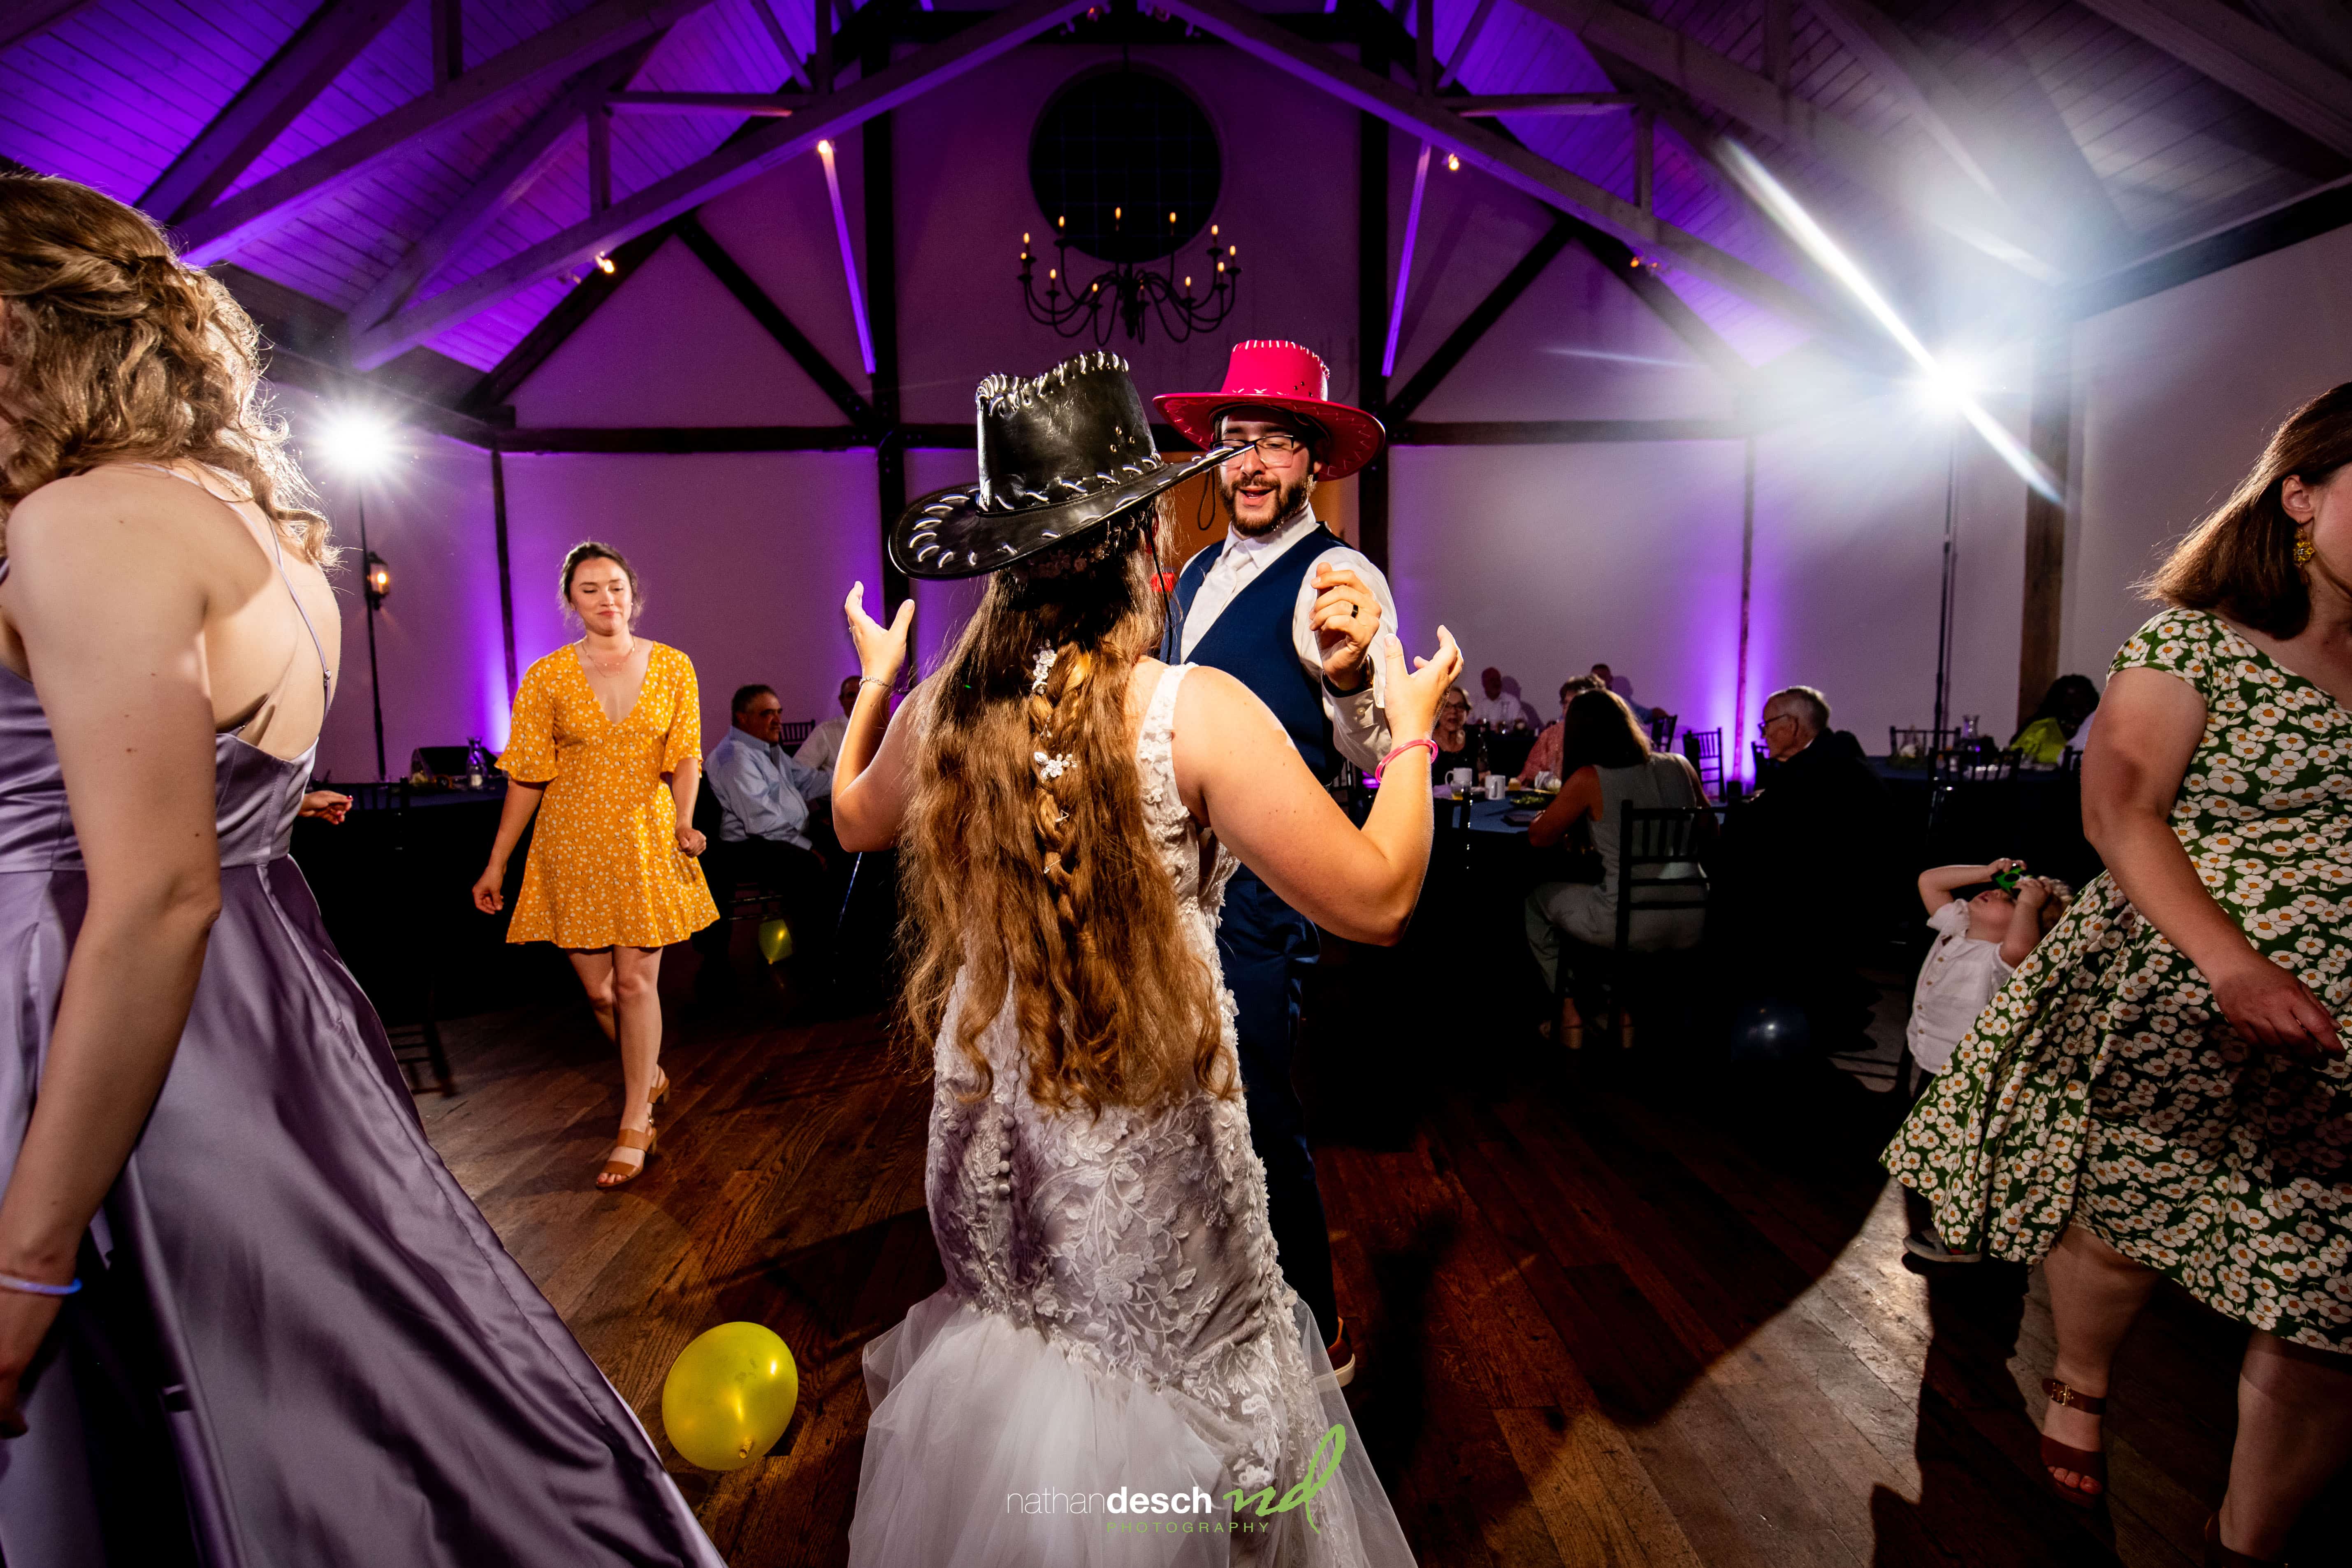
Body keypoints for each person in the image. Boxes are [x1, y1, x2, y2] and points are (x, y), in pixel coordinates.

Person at [0, 172, 721, 1565]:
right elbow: (491, 765)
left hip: (117, 1010)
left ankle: (641, 1102)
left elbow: (153, 889)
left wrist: (27, 1261)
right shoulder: (256, 528)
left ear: (31, 330)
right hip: (263, 1005)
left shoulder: (86, 522)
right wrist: (503, 859)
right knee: (343, 1426)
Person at [835, 350, 1442, 1567]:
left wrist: (878, 679)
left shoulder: (943, 705)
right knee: (1180, 1378)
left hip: (987, 1111)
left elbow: (851, 814)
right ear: (1139, 543)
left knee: (1023, 1359)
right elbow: (1376, 899)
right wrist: (1414, 733)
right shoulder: (1191, 710)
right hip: (1138, 1095)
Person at [1886, 385, 2352, 1562]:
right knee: (2125, 1219)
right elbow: (2118, 806)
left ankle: (2244, 1538)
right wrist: (2232, 966)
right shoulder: (2189, 639)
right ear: (2299, 496)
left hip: (2337, 1031)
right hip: (2184, 991)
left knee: (2329, 1294)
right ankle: (2081, 1382)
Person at [1153, 339, 1399, 1380]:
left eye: (1275, 443)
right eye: (1233, 442)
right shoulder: (1196, 571)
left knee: (1253, 1095)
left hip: (1261, 886)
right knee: (1175, 1095)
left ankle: (1317, 1327)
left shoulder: (1337, 574)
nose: (1249, 463)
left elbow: (1378, 745)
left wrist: (1347, 677)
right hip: (1171, 879)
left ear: (1311, 461)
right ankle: (1208, 1295)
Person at [470, 542, 718, 1189]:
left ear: (632, 593)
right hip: (570, 843)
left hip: (643, 838)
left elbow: (685, 754)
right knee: (600, 991)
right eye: (590, 589)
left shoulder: (672, 666)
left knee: (637, 985)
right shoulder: (547, 676)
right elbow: (526, 777)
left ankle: (636, 1119)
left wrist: (685, 820)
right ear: (570, 601)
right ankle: (650, 1074)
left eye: (615, 586)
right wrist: (497, 862)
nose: (607, 599)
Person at [1897, 860, 2069, 1264]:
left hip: (1968, 1080)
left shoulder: (2003, 960)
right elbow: (1929, 879)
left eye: (2010, 900)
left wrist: (2029, 902)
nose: (1996, 891)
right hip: (1936, 1065)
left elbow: (2024, 945)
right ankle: (1951, 1222)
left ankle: (1961, 1236)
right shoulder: (1957, 927)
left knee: (1960, 1163)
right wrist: (1987, 871)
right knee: (1935, 1153)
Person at [1522, 689, 1709, 1046]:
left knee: (1536, 902)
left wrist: (1547, 815)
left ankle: (1570, 1017)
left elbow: (1539, 838)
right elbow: (1710, 830)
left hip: (1631, 920)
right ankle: (1620, 1010)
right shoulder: (1681, 765)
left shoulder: (1590, 778)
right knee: (1608, 899)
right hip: (1695, 915)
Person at [1711, 684, 1894, 1049]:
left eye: (1766, 724)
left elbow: (1759, 831)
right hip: (1857, 891)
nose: (1762, 733)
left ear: (1793, 726)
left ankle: (1760, 1021)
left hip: (1834, 904)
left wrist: (1743, 814)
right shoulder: (1839, 757)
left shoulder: (1814, 771)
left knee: (1732, 898)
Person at [695, 681, 835, 1002]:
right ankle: (816, 967)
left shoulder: (767, 750)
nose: (778, 720)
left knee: (844, 847)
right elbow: (761, 822)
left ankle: (837, 946)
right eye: (767, 713)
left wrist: (853, 780)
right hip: (745, 848)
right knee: (807, 866)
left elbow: (806, 780)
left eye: (779, 712)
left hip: (775, 836)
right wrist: (808, 847)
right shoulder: (735, 758)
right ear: (742, 718)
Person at [1513, 674, 1602, 786]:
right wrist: (1549, 780)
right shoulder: (1550, 735)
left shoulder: (1604, 735)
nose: (1567, 708)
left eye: (1574, 703)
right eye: (1566, 703)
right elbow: (1526, 777)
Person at [2007, 672, 2100, 764]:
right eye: (2070, 697)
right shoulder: (2041, 728)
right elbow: (2014, 759)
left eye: (2082, 697)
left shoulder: (2098, 728)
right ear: (2057, 700)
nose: (2077, 703)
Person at [793, 673, 860, 782]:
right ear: (841, 700)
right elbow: (799, 771)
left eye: (861, 694)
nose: (857, 700)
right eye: (851, 695)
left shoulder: (884, 730)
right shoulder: (826, 732)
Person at [1469, 664, 1533, 729]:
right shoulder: (1475, 701)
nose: (1496, 684)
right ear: (1484, 683)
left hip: (1505, 738)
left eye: (1498, 680)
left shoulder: (1512, 702)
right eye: (1492, 680)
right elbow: (1467, 723)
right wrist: (1476, 725)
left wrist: (1519, 724)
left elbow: (1521, 724)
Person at [1432, 682, 1475, 778]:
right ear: (1437, 711)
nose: (1454, 711)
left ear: (1467, 713)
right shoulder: (1428, 742)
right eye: (1447, 706)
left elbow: (1484, 780)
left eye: (1460, 707)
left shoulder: (1475, 740)